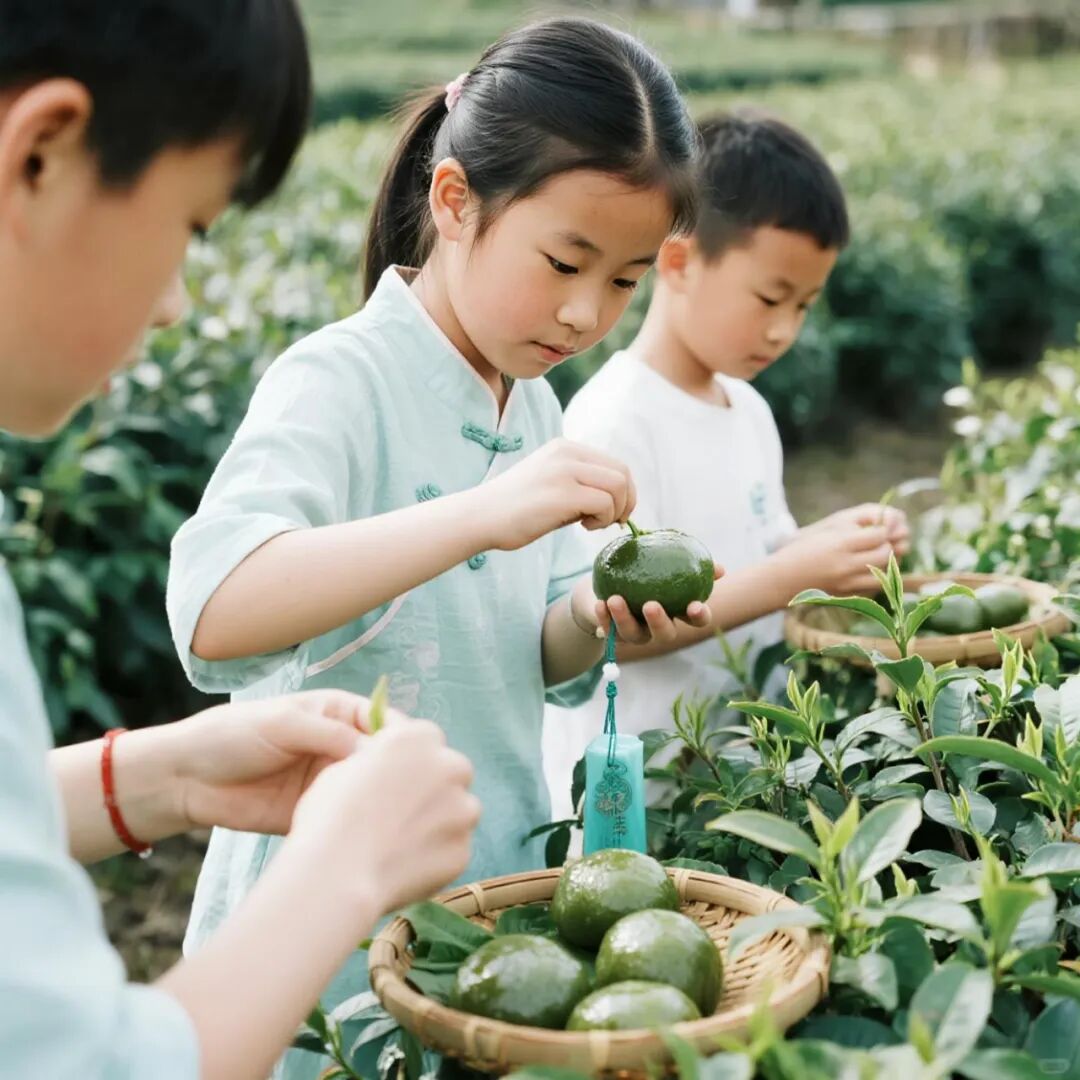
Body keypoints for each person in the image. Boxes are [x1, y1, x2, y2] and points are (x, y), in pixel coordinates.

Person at [166, 17, 713, 1077]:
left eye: (625, 280)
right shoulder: (339, 381)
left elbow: (532, 657)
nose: (584, 310)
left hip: (488, 911)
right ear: (456, 201)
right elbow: (213, 615)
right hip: (318, 939)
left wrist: (593, 621)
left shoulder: (537, 407)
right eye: (565, 260)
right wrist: (481, 513)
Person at [0, 4, 480, 1077]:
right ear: (40, 153)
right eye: (192, 225)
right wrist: (344, 870)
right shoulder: (344, 376)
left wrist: (155, 779)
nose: (173, 304)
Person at [544, 110, 909, 819]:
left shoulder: (747, 410)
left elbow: (758, 551)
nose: (785, 329)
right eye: (771, 298)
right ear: (678, 262)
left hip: (736, 772)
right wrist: (794, 574)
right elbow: (616, 631)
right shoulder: (615, 421)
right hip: (639, 793)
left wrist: (834, 544)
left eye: (804, 305)